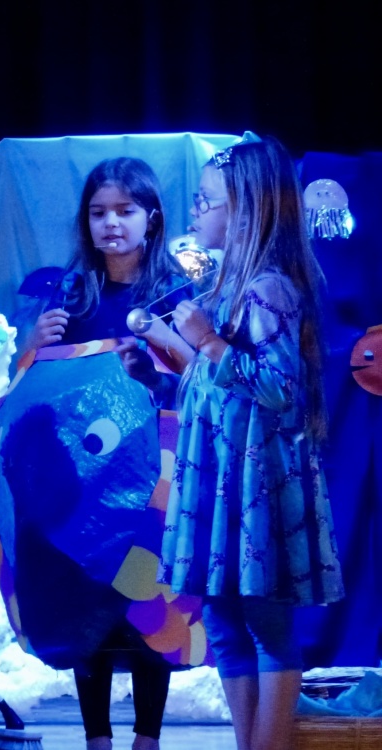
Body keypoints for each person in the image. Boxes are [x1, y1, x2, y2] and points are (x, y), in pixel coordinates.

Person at [162, 136, 344, 750]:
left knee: (265, 621)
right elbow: (217, 384)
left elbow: (279, 387)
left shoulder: (269, 288)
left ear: (245, 210)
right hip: (221, 475)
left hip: (256, 481)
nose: (195, 212)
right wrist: (172, 357)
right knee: (222, 620)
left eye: (205, 201)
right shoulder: (227, 288)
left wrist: (207, 340)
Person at [17, 157, 191, 750]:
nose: (111, 223)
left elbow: (197, 380)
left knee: (145, 599)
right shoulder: (72, 295)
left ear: (152, 219)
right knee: (84, 599)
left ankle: (147, 738)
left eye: (125, 210)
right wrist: (33, 346)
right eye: (98, 212)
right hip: (84, 486)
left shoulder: (174, 296)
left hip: (153, 478)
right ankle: (96, 738)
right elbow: (36, 394)